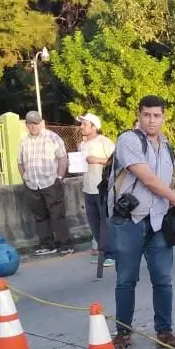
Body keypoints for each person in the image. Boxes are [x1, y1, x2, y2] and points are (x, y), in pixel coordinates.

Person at [108, 95, 175, 349]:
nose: (152, 120)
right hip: (131, 220)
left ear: (164, 118)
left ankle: (165, 332)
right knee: (126, 279)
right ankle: (123, 333)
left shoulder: (167, 146)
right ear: (139, 115)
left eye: (157, 116)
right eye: (147, 115)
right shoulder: (129, 140)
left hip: (159, 221)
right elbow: (149, 180)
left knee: (163, 279)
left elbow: (169, 181)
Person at [18, 110, 73, 256]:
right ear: (26, 125)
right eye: (30, 123)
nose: (33, 126)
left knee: (57, 215)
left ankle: (64, 244)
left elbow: (62, 158)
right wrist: (25, 178)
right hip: (32, 184)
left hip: (50, 182)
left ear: (41, 123)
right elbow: (20, 163)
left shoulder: (52, 137)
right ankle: (47, 244)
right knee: (40, 217)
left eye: (36, 123)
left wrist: (59, 177)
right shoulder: (24, 141)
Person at [77, 113, 115, 267]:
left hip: (103, 188)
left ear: (94, 127)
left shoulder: (104, 142)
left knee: (105, 222)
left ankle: (111, 253)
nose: (81, 127)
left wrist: (97, 160)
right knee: (94, 222)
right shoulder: (82, 145)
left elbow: (116, 160)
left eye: (84, 124)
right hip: (88, 188)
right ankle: (102, 251)